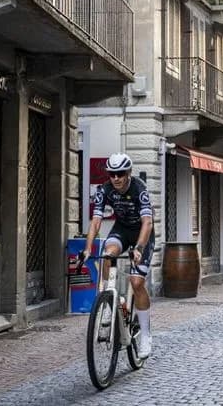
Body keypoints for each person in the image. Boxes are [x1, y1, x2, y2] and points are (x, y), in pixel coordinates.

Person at [83, 153, 154, 359]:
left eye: (120, 173)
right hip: (122, 230)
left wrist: (139, 248)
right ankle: (107, 300)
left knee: (136, 282)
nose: (116, 178)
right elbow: (96, 222)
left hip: (142, 233)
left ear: (128, 172)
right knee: (106, 254)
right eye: (112, 174)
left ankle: (145, 336)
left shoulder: (139, 189)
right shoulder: (104, 190)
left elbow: (147, 222)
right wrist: (88, 249)